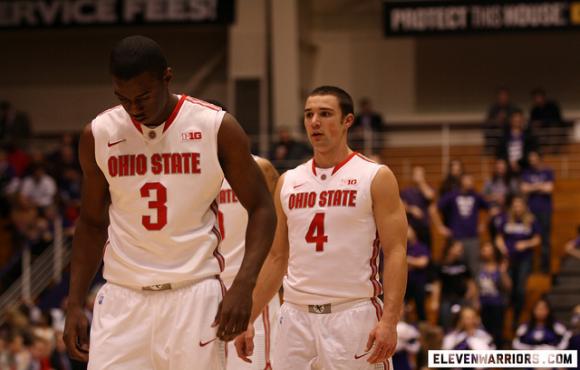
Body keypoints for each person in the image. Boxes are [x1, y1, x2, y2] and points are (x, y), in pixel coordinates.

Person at [63, 35, 276, 370]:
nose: (135, 108)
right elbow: (91, 223)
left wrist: (243, 285)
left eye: (143, 96)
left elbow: (263, 209)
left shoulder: (215, 127)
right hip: (122, 298)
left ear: (167, 77)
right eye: (123, 98)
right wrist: (74, 302)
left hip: (193, 296)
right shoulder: (99, 134)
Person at [235, 86, 408, 369]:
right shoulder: (288, 181)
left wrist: (389, 321)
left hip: (352, 315)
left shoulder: (375, 176)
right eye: (309, 114)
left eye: (325, 114)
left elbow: (396, 251)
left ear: (347, 121)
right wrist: (249, 317)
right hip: (294, 318)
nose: (314, 121)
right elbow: (277, 258)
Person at [217, 155, 281, 370]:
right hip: (204, 289)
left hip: (249, 288)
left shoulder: (259, 167)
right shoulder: (192, 171)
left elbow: (279, 237)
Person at [495, 195, 540, 327]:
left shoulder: (531, 220)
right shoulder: (506, 219)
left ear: (524, 207)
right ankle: (506, 317)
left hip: (524, 259)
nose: (517, 208)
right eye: (515, 205)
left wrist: (525, 244)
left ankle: (517, 317)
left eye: (519, 205)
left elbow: (537, 239)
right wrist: (503, 248)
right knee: (508, 288)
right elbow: (498, 237)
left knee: (520, 289)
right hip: (509, 259)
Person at [437, 174, 489, 277]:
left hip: (472, 238)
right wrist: (440, 227)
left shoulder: (476, 196)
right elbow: (434, 209)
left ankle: (476, 292)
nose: (470, 181)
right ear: (461, 181)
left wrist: (484, 224)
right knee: (457, 269)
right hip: (456, 239)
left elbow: (490, 209)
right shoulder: (452, 195)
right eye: (468, 179)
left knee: (475, 269)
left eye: (471, 179)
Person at [430, 241, 478, 332]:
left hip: (461, 297)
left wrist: (473, 297)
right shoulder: (440, 264)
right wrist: (434, 301)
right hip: (446, 298)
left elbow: (471, 282)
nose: (461, 251)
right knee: (444, 319)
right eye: (458, 248)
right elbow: (437, 284)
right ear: (450, 249)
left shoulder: (463, 263)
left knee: (466, 318)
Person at [521, 151, 554, 273]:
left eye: (535, 159)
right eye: (531, 160)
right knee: (529, 237)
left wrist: (532, 187)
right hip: (530, 211)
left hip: (545, 210)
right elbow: (524, 189)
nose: (532, 162)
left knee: (545, 239)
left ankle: (545, 268)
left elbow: (549, 189)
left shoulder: (547, 171)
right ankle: (530, 268)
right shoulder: (526, 172)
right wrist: (540, 186)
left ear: (539, 159)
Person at [477, 242, 511, 348]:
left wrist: (503, 272)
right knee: (483, 332)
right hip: (482, 304)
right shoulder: (478, 267)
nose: (484, 251)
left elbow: (508, 286)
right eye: (483, 249)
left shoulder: (500, 267)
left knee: (497, 332)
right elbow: (474, 285)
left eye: (487, 249)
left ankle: (497, 357)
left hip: (497, 304)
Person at [401, 166, 435, 249]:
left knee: (427, 251)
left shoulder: (427, 189)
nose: (418, 176)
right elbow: (401, 207)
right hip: (411, 227)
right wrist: (411, 209)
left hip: (424, 227)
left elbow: (430, 196)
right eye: (416, 174)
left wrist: (421, 183)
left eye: (420, 175)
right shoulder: (406, 191)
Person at [496, 110, 538, 174]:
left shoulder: (528, 137)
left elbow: (530, 152)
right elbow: (500, 153)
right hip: (507, 169)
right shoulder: (504, 138)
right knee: (501, 164)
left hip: (524, 167)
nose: (517, 121)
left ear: (522, 120)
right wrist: (510, 162)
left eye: (519, 119)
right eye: (515, 118)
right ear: (511, 120)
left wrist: (518, 163)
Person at [484, 87, 519, 155]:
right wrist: (496, 120)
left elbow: (517, 120)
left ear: (508, 96)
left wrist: (507, 120)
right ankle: (492, 150)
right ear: (498, 96)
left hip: (510, 131)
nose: (503, 97)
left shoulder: (513, 108)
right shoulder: (493, 108)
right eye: (501, 95)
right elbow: (488, 122)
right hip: (496, 133)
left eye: (505, 95)